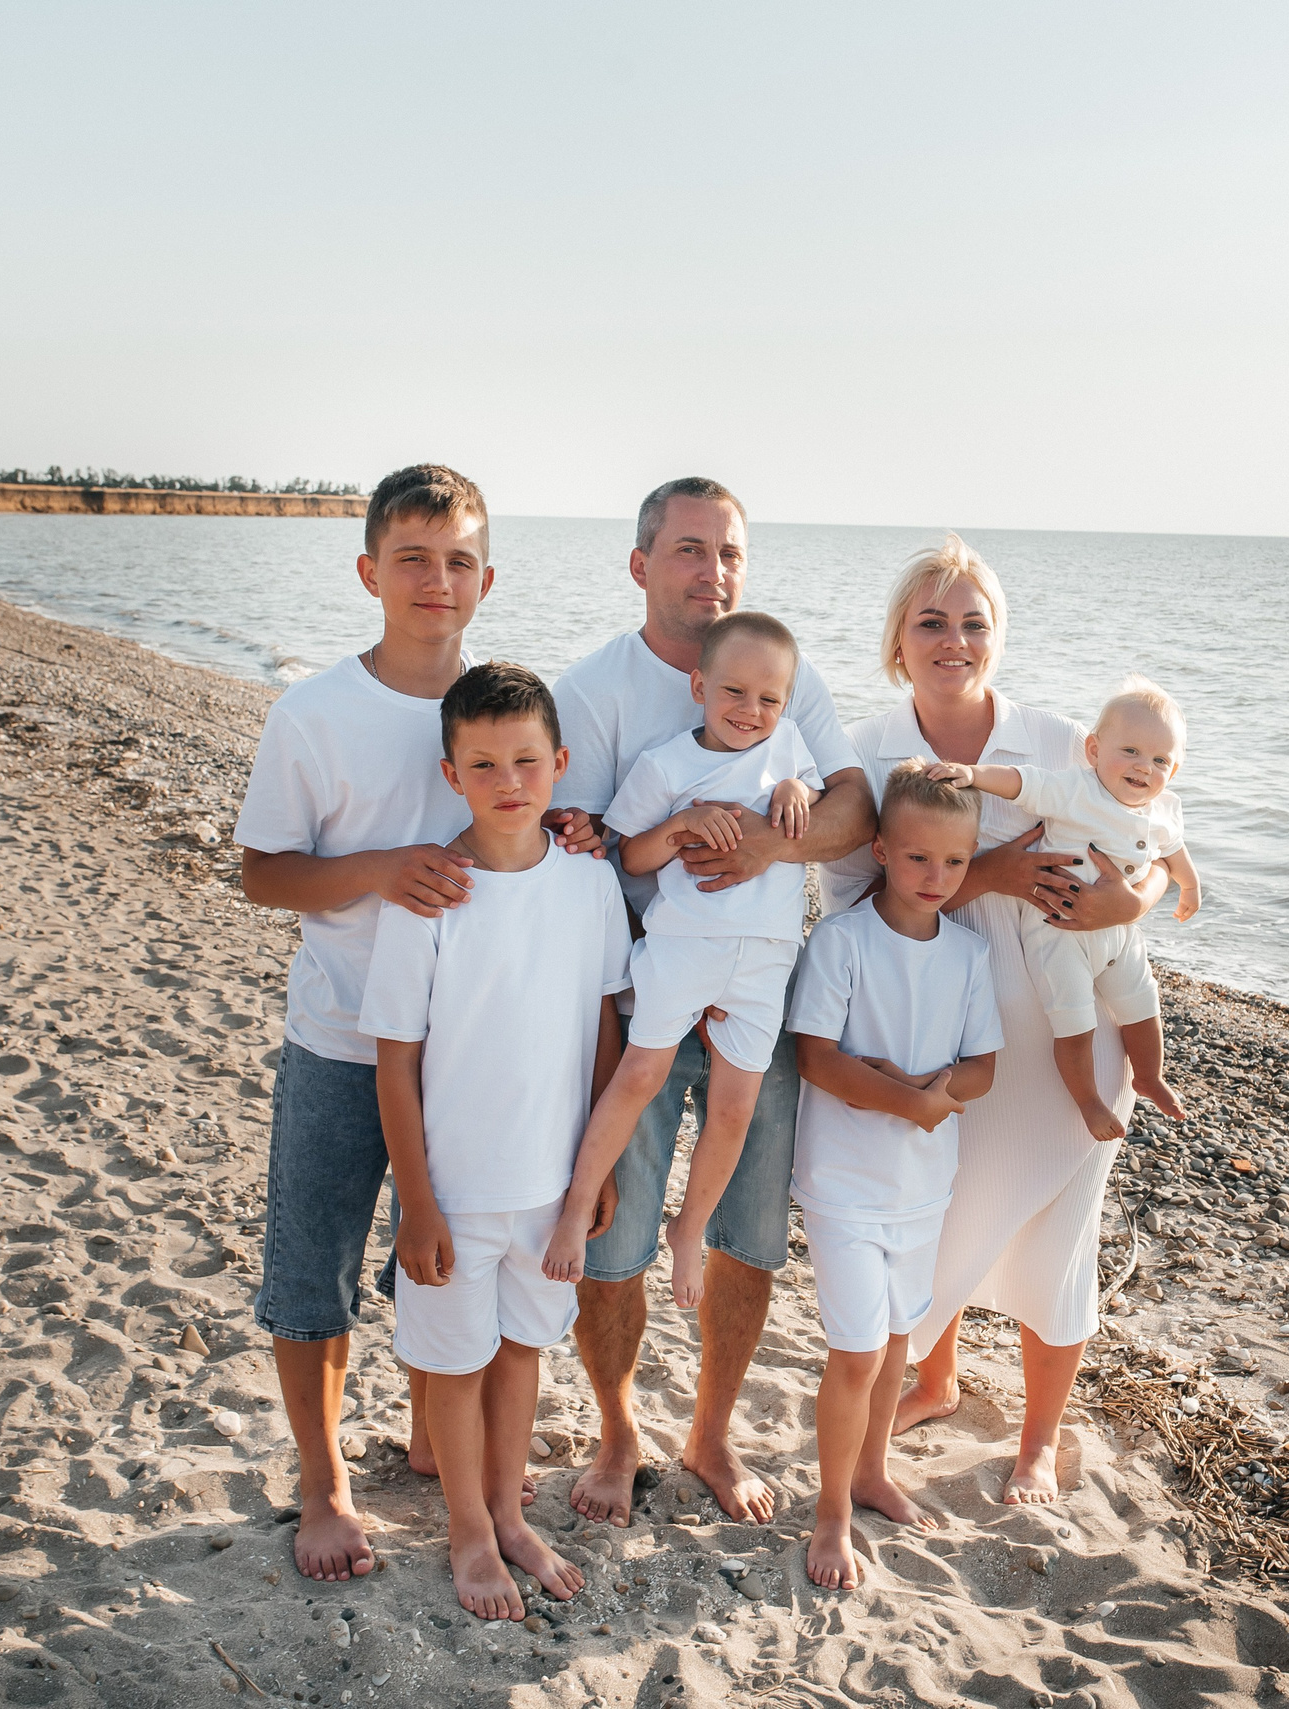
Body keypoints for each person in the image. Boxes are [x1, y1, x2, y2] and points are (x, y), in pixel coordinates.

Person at [815, 534, 1170, 1506]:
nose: (954, 640)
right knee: (937, 1220)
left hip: (1070, 1041)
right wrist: (994, 873)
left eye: (973, 623)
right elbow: (850, 901)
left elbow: (1150, 838)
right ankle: (935, 1379)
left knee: (1056, 1242)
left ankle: (1037, 1442)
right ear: (898, 639)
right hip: (937, 1035)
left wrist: (1135, 899)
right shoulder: (864, 753)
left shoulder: (1058, 742)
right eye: (931, 621)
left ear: (997, 636)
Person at [549, 476, 875, 1526]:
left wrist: (767, 842)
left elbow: (856, 809)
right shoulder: (593, 690)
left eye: (729, 551)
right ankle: (616, 1430)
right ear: (641, 563)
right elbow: (584, 850)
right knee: (616, 1237)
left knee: (748, 1230)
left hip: (758, 979)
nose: (712, 570)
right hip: (646, 980)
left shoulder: (781, 673)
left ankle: (712, 1431)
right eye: (690, 549)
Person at [233, 465, 501, 1582]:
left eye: (458, 560)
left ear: (486, 579)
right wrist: (379, 869)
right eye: (413, 559)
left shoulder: (504, 706)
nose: (437, 580)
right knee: (316, 1263)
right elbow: (262, 872)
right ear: (369, 572)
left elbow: (544, 822)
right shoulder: (313, 713)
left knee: (444, 1256)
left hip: (469, 1048)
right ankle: (324, 1480)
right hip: (340, 1035)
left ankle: (433, 1440)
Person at [359, 662, 630, 1620]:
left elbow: (606, 1024)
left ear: (560, 763)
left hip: (552, 1185)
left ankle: (511, 1515)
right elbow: (395, 1061)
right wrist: (417, 1201)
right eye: (483, 765)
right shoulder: (430, 894)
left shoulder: (590, 885)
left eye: (526, 761)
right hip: (458, 1186)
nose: (508, 782)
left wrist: (595, 1168)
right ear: (452, 774)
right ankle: (470, 1530)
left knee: (521, 1352)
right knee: (454, 1361)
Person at [542, 611, 824, 1310]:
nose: (750, 710)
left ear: (787, 703)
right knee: (639, 1075)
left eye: (768, 698)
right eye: (733, 692)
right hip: (681, 948)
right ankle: (576, 1207)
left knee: (735, 1107)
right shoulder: (666, 765)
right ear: (699, 687)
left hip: (764, 961)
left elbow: (816, 793)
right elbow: (629, 856)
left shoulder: (789, 745)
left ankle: (688, 1228)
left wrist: (798, 789)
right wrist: (680, 825)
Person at [789, 762, 1002, 1589]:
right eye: (918, 857)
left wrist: (931, 1092)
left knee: (895, 1344)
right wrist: (907, 1099)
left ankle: (873, 1470)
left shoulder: (969, 954)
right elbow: (817, 1058)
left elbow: (983, 1065)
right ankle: (831, 1513)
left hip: (923, 1186)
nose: (935, 876)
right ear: (880, 849)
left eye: (954, 861)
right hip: (844, 1182)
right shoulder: (842, 941)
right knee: (854, 1351)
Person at [926, 675, 1201, 1137]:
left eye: (1159, 760)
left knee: (1143, 1007)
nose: (1143, 767)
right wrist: (973, 775)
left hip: (1120, 936)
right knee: (1074, 1025)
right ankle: (1088, 1101)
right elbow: (1022, 783)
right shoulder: (1076, 789)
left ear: (1172, 772)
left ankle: (1149, 1077)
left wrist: (1189, 886)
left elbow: (1173, 851)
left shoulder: (1163, 809)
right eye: (1130, 751)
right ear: (1093, 750)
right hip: (1058, 931)